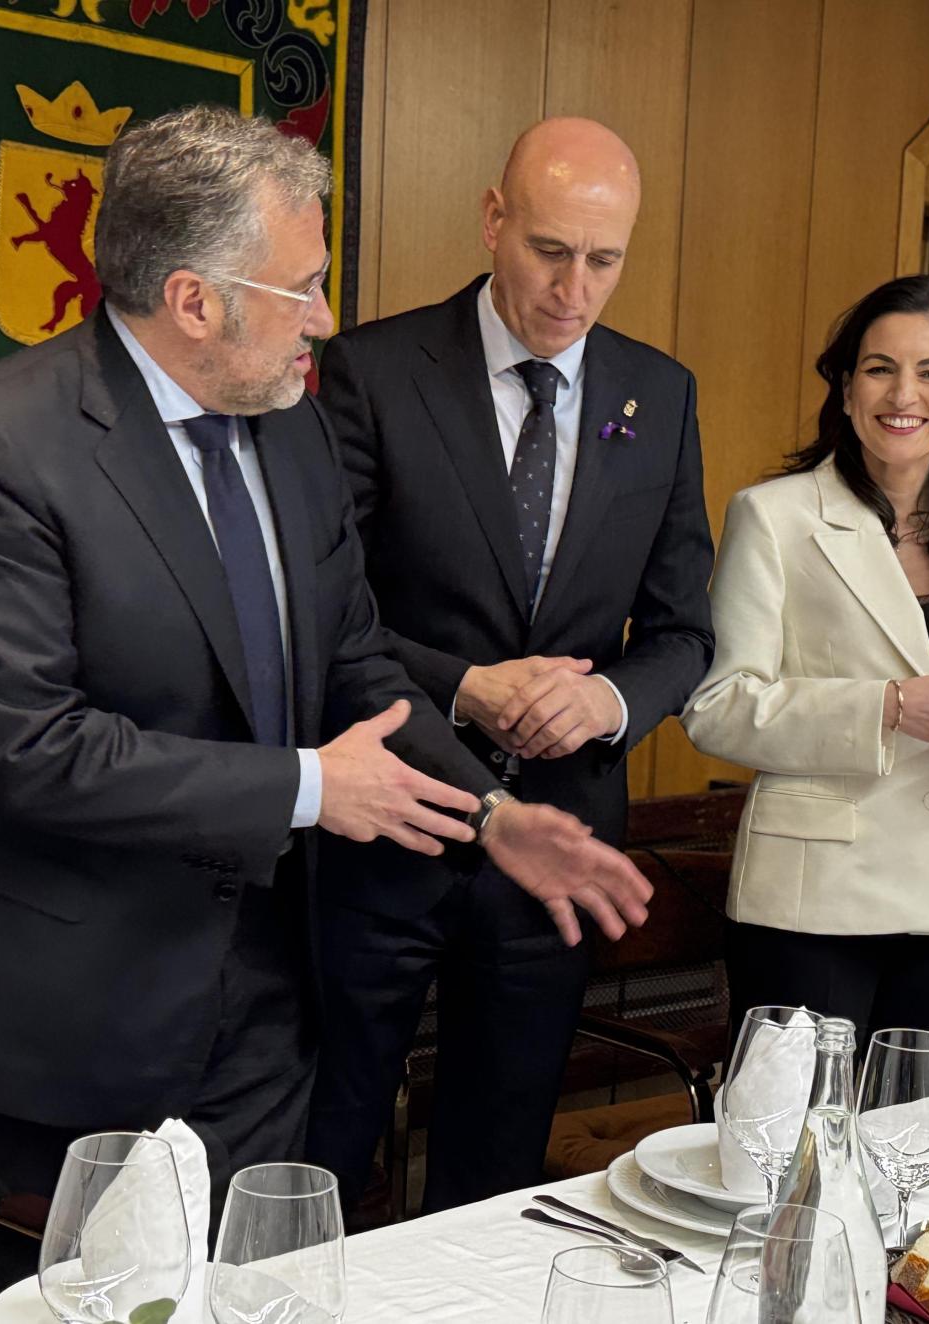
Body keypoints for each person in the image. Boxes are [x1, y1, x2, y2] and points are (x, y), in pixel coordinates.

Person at [0, 105, 651, 1309]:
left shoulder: (290, 439)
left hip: (268, 1009)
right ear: (193, 300)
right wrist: (307, 789)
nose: (325, 318)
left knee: (261, 1298)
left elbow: (359, 674)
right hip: (66, 1020)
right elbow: (32, 749)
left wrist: (491, 815)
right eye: (303, 286)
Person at [305, 117, 714, 1212]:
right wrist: (463, 683)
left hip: (558, 845)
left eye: (604, 259)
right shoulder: (371, 371)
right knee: (329, 1150)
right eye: (548, 250)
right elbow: (320, 609)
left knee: (497, 1173)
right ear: (493, 220)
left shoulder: (658, 395)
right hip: (390, 822)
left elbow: (686, 631)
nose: (572, 290)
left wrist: (606, 698)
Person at [681, 274, 929, 1085]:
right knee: (797, 1159)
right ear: (845, 391)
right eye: (879, 369)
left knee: (922, 1153)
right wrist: (886, 707)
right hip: (812, 901)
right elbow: (717, 706)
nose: (903, 394)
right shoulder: (774, 515)